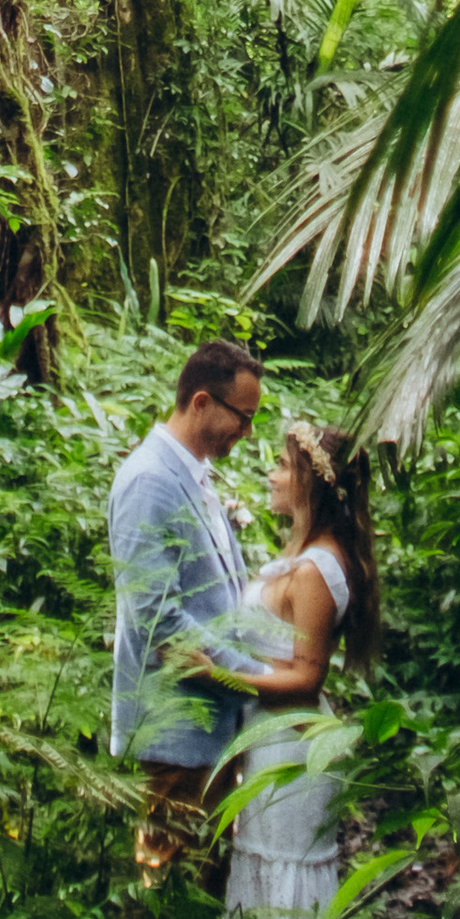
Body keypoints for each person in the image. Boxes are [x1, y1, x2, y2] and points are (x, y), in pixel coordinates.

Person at [188, 416, 381, 919]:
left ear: (309, 481)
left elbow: (305, 679)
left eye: (279, 464)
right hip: (265, 751)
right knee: (259, 903)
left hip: (292, 755)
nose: (268, 473)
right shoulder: (300, 556)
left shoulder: (318, 570)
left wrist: (215, 673)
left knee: (285, 910)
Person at [107, 338, 263, 878]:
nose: (247, 431)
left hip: (212, 727)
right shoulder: (150, 481)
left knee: (207, 880)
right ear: (201, 402)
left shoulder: (191, 473)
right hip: (175, 736)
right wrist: (257, 678)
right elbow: (157, 619)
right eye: (242, 417)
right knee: (170, 888)